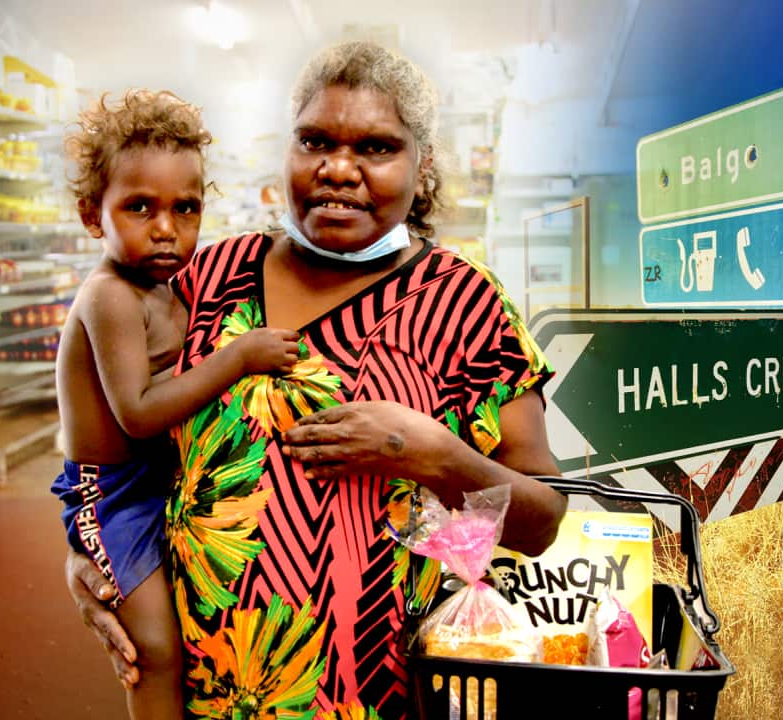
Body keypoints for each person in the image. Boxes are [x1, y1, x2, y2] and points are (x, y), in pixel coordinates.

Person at [65, 43, 567, 719]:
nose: (337, 169)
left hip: (384, 699)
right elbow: (127, 442)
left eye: (377, 148)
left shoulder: (467, 308)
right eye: (314, 141)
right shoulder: (205, 280)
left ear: (421, 169)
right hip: (211, 699)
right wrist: (89, 554)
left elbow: (542, 522)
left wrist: (432, 455)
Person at [51, 89, 301, 720]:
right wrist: (238, 358)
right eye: (139, 207)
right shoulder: (112, 296)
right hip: (109, 492)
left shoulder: (168, 285)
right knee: (152, 644)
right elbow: (136, 410)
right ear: (91, 214)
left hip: (157, 481)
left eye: (185, 209)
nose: (166, 228)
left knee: (176, 631)